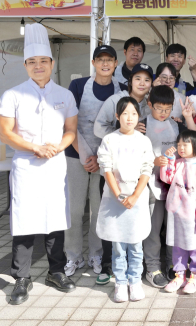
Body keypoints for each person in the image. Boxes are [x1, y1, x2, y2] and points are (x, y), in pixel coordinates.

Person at [0, 24, 77, 305]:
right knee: (25, 220)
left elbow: (71, 131)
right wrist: (34, 148)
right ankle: (21, 277)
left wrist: (57, 147)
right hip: (26, 167)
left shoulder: (65, 95)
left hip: (55, 165)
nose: (38, 66)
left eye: (43, 61)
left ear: (52, 64)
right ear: (25, 65)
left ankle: (56, 271)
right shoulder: (13, 95)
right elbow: (6, 133)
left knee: (55, 218)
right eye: (32, 62)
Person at [64, 45, 124, 283]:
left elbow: (122, 126)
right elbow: (70, 123)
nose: (105, 64)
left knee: (99, 211)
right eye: (101, 60)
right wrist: (85, 155)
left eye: (110, 60)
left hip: (107, 160)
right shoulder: (78, 86)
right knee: (75, 210)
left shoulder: (122, 90)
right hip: (75, 154)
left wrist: (100, 158)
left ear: (116, 63)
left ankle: (96, 255)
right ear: (93, 62)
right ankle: (73, 255)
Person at [96, 97, 154, 303]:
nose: (130, 118)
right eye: (125, 114)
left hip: (137, 197)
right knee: (118, 244)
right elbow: (106, 169)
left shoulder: (143, 140)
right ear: (117, 116)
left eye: (134, 114)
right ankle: (120, 282)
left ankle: (135, 280)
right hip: (115, 198)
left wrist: (135, 196)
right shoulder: (109, 140)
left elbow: (147, 169)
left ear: (139, 116)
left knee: (136, 242)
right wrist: (120, 195)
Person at [143, 85, 196, 288]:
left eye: (167, 109)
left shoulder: (175, 125)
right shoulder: (141, 125)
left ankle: (174, 265)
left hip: (176, 187)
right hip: (150, 185)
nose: (163, 113)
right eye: (158, 108)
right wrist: (152, 162)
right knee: (153, 228)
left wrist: (187, 117)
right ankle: (152, 267)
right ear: (149, 105)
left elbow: (193, 138)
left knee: (173, 229)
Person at [160, 131, 196, 294]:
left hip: (194, 214)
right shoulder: (177, 163)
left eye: (185, 144)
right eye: (179, 144)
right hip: (176, 213)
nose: (181, 148)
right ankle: (179, 275)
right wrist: (168, 160)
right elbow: (166, 178)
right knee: (178, 245)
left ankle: (195, 276)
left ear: (195, 145)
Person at [94, 64, 154, 138]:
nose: (142, 83)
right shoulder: (115, 101)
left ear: (151, 84)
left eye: (147, 80)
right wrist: (127, 132)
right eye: (138, 79)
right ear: (130, 81)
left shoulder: (149, 107)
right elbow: (99, 128)